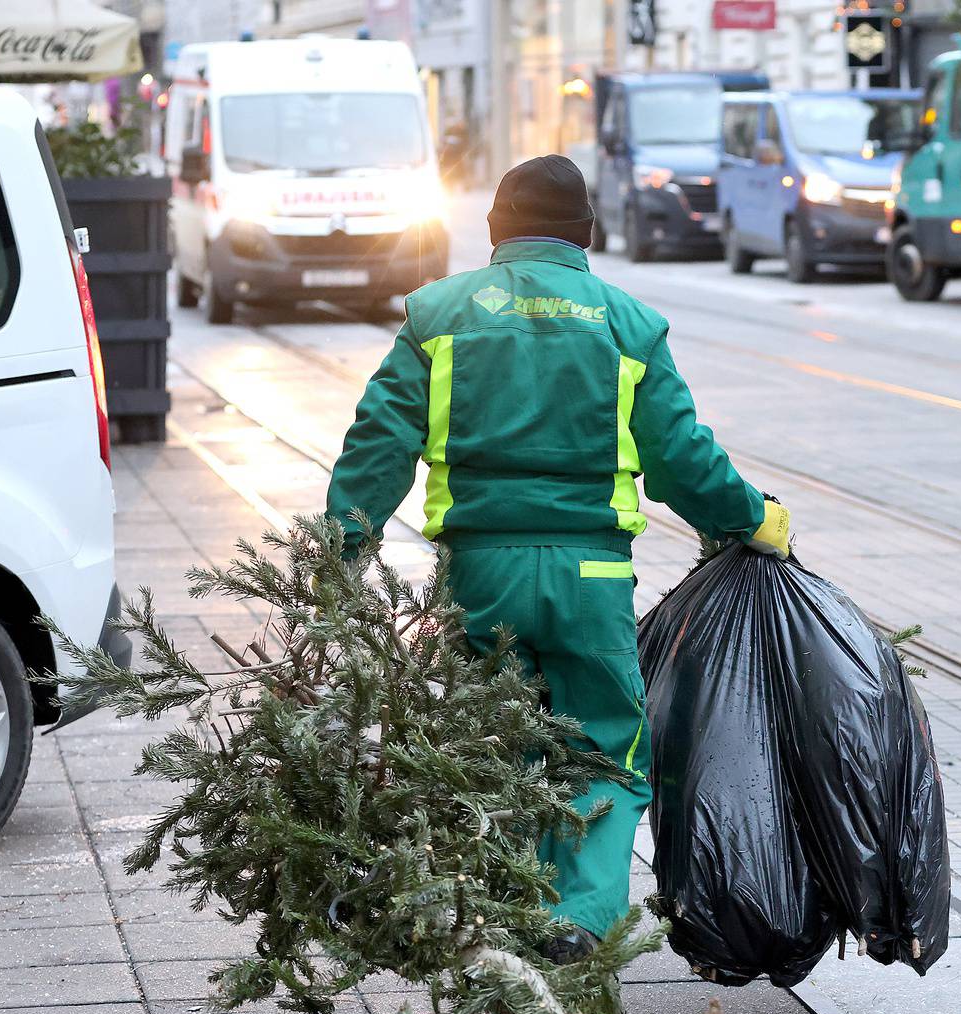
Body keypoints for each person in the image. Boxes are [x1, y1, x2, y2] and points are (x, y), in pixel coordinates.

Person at [324, 155, 792, 961]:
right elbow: (681, 457)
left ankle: (501, 922)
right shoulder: (627, 324)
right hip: (591, 579)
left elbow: (378, 445)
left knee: (490, 749)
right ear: (586, 238)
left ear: (496, 233)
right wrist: (752, 518)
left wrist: (341, 555)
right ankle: (576, 920)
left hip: (478, 579)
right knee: (605, 755)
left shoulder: (439, 317)